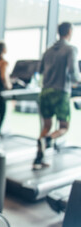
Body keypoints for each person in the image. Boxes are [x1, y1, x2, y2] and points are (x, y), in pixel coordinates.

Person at [33, 22, 81, 170]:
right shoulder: (71, 49)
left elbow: (40, 71)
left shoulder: (47, 51)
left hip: (45, 92)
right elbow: (73, 73)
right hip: (60, 93)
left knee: (46, 126)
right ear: (70, 32)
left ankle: (38, 160)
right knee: (64, 127)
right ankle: (48, 140)